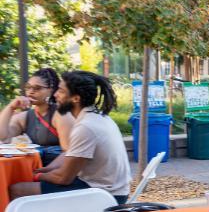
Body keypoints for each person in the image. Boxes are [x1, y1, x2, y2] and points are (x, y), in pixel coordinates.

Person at [9, 71, 131, 204]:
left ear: (76, 99)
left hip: (105, 196)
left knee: (17, 190)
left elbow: (63, 178)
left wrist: (36, 175)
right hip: (112, 190)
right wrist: (48, 170)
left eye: (60, 91)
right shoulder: (98, 116)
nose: (55, 95)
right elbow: (70, 160)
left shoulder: (86, 127)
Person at [0, 68, 74, 166]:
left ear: (51, 90)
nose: (30, 92)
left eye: (37, 88)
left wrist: (44, 173)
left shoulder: (60, 115)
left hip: (55, 171)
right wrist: (10, 107)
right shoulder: (24, 117)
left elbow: (69, 152)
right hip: (35, 168)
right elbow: (4, 138)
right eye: (28, 87)